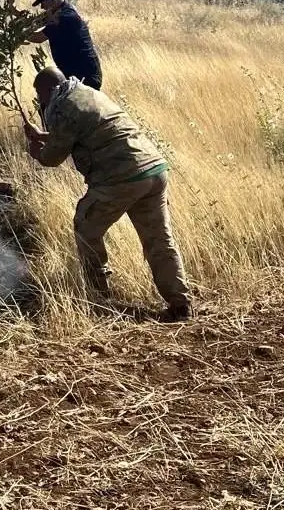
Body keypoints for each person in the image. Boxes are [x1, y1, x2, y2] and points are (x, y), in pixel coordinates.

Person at [22, 66, 193, 322]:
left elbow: (53, 157)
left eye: (39, 95)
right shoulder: (84, 93)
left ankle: (99, 298)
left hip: (122, 177)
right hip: (153, 170)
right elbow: (85, 131)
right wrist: (44, 135)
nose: (40, 101)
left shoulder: (62, 107)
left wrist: (36, 150)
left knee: (86, 227)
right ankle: (180, 304)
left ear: (47, 89)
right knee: (159, 239)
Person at [24, 0, 102, 91]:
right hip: (75, 74)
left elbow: (38, 38)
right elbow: (34, 21)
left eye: (43, 2)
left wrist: (18, 34)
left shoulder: (64, 18)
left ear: (53, 0)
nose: (42, 7)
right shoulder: (60, 12)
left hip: (84, 75)